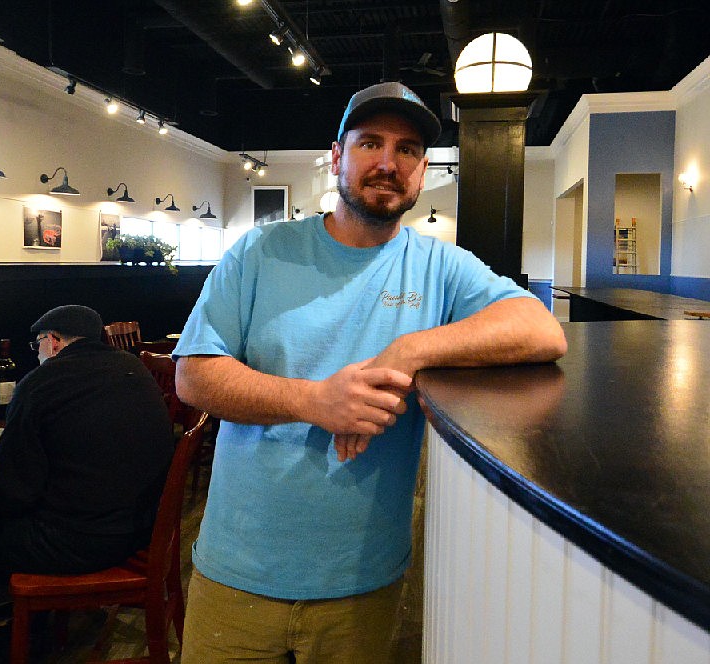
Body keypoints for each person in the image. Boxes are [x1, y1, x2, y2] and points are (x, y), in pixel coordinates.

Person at [173, 81, 567, 663]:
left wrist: (407, 350)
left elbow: (541, 329)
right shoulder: (259, 252)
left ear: (423, 170)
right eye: (370, 143)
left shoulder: (439, 265)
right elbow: (194, 377)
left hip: (363, 582)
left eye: (407, 150)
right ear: (337, 157)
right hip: (239, 571)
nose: (388, 162)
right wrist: (313, 401)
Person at [0, 305, 174, 663]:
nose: (37, 353)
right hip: (139, 527)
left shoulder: (40, 385)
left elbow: (15, 492)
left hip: (82, 542)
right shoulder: (133, 368)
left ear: (52, 341)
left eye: (37, 345)